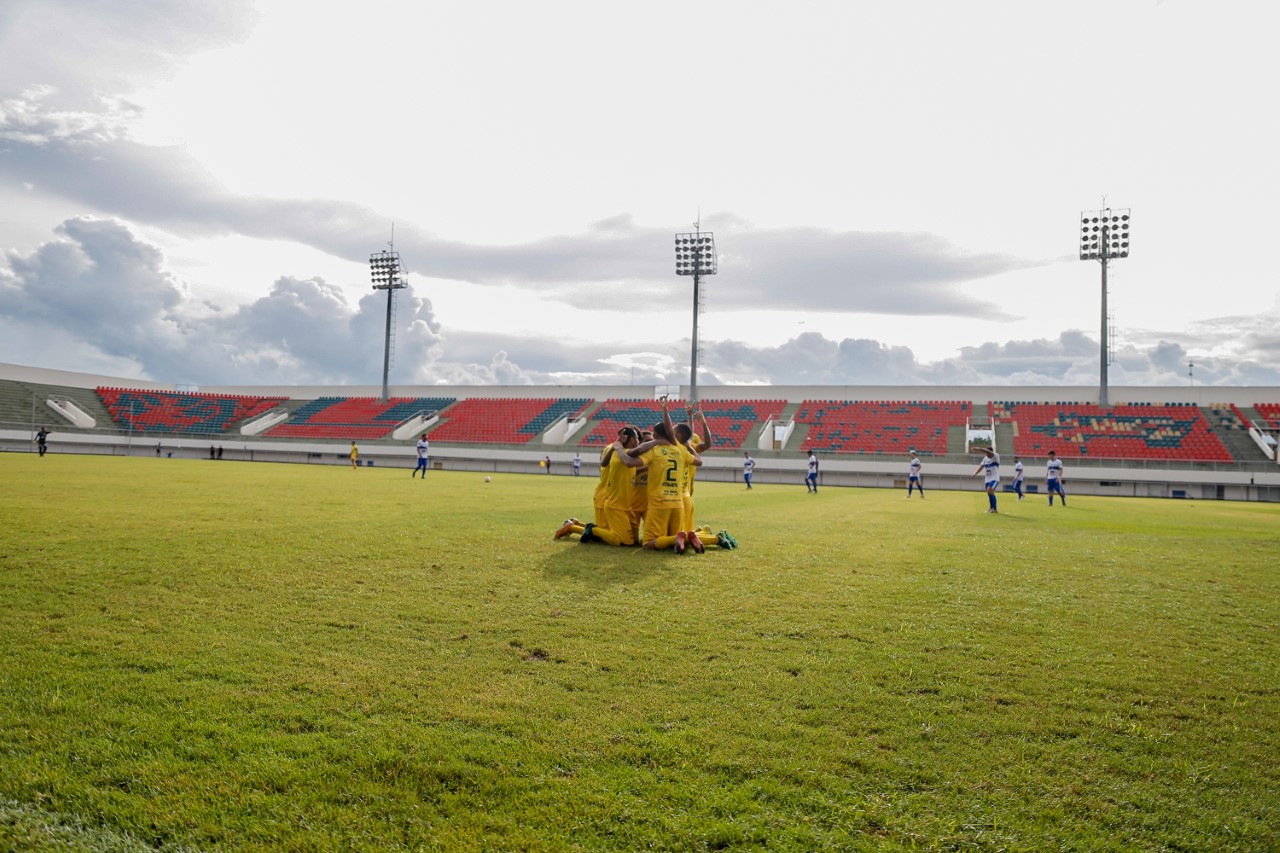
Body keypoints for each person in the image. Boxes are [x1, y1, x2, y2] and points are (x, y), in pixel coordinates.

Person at [618, 401, 703, 553]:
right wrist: (690, 446)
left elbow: (630, 460)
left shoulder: (654, 450)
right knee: (673, 537)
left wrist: (619, 450)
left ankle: (676, 538)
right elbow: (699, 461)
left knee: (648, 542)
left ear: (656, 434)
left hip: (659, 504)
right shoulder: (681, 451)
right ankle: (686, 538)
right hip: (677, 504)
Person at [556, 426, 641, 545]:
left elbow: (605, 464)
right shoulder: (620, 452)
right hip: (607, 495)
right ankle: (572, 527)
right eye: (637, 438)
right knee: (604, 536)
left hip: (609, 494)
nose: (639, 442)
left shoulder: (611, 448)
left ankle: (576, 524)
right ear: (630, 439)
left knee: (606, 533)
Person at [972, 447, 1000, 514]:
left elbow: (989, 452)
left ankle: (993, 508)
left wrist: (979, 449)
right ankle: (993, 509)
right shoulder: (985, 458)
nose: (987, 454)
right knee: (990, 493)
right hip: (987, 479)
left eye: (987, 453)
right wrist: (975, 473)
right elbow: (981, 467)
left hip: (994, 478)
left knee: (989, 491)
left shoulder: (995, 456)